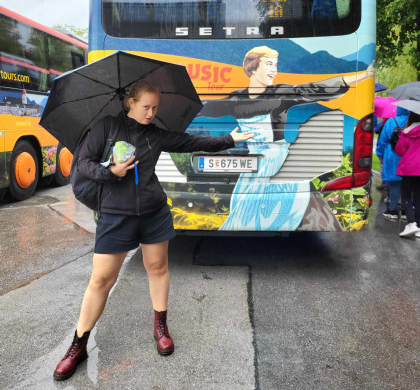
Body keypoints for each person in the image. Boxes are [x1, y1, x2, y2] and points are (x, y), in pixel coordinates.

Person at [53, 81, 254, 381]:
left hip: (153, 213)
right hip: (115, 215)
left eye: (155, 108)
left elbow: (190, 142)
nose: (151, 113)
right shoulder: (107, 127)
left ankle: (160, 326)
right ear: (130, 103)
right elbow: (83, 163)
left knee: (158, 268)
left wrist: (228, 139)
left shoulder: (155, 135)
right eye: (146, 107)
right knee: (100, 280)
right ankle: (78, 345)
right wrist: (111, 172)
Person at [198, 46, 375, 231]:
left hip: (280, 164)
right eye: (269, 64)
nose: (274, 70)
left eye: (275, 65)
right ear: (253, 67)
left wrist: (363, 75)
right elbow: (207, 107)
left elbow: (316, 89)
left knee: (299, 209)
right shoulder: (236, 99)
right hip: (255, 169)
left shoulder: (279, 94)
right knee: (246, 213)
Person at [375, 106, 410, 219]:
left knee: (394, 182)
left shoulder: (391, 121)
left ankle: (393, 209)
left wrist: (380, 153)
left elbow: (382, 140)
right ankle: (406, 211)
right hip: (408, 154)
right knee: (407, 183)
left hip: (392, 154)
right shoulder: (412, 121)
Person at [395, 111, 420, 237]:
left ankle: (411, 224)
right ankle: (419, 226)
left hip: (410, 167)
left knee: (406, 196)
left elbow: (400, 150)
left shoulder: (407, 132)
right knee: (418, 197)